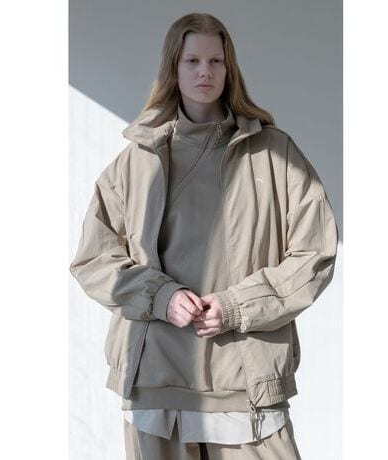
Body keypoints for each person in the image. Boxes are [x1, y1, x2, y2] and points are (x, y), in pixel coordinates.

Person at [70, 12, 338, 460]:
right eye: (192, 60)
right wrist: (161, 296)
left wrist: (236, 307)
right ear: (173, 68)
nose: (205, 72)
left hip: (245, 375)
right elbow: (94, 260)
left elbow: (315, 253)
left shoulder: (274, 154)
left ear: (229, 68)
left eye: (216, 61)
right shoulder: (135, 161)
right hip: (157, 375)